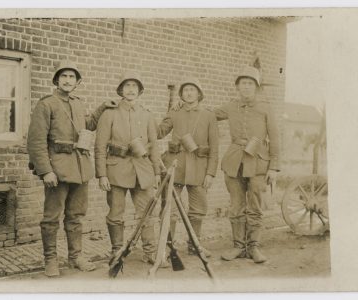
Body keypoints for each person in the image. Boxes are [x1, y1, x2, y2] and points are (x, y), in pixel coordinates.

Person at [27, 60, 117, 277]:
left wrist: (104, 106)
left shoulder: (77, 103)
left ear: (77, 82)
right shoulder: (46, 104)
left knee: (76, 216)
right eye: (64, 76)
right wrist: (45, 170)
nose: (68, 80)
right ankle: (50, 259)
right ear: (57, 80)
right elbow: (36, 141)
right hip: (57, 170)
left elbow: (86, 125)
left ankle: (75, 256)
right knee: (51, 217)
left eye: (72, 77)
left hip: (80, 169)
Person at [94, 72, 162, 264]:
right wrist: (102, 175)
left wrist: (156, 171)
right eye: (127, 86)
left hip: (143, 170)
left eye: (134, 86)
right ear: (121, 90)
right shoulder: (109, 114)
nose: (131, 90)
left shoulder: (147, 115)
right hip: (116, 170)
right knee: (116, 213)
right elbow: (99, 146)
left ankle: (150, 252)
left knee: (147, 212)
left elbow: (154, 145)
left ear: (140, 90)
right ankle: (117, 251)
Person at [216, 65, 280, 263]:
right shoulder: (230, 106)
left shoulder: (266, 108)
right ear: (238, 87)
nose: (246, 87)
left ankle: (253, 247)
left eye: (250, 84)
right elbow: (207, 114)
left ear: (256, 87)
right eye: (242, 83)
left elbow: (275, 138)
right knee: (236, 205)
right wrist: (183, 105)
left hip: (258, 164)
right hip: (234, 162)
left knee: (255, 206)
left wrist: (274, 167)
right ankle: (238, 247)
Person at [157, 78, 219, 256]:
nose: (189, 93)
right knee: (169, 209)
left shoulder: (209, 116)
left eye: (192, 90)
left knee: (198, 209)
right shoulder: (175, 112)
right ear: (181, 94)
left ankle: (194, 245)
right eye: (185, 90)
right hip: (175, 166)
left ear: (199, 94)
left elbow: (214, 148)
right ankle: (167, 248)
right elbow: (160, 131)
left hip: (199, 168)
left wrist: (211, 173)